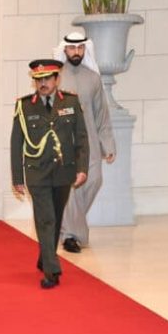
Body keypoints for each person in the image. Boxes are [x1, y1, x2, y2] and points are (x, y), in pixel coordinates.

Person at [10, 59, 89, 289]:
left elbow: (81, 138)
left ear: (57, 79)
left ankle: (45, 256)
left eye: (46, 79)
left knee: (55, 216)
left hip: (64, 170)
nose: (42, 83)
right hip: (37, 172)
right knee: (45, 219)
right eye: (38, 80)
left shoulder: (71, 102)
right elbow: (16, 143)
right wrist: (17, 178)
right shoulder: (25, 106)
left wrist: (82, 168)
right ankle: (52, 270)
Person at [53, 32, 116, 253]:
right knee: (70, 187)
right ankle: (72, 235)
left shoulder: (93, 78)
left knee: (94, 179)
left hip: (89, 140)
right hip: (63, 142)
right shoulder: (56, 77)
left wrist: (108, 144)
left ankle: (66, 225)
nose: (76, 52)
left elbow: (102, 114)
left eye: (80, 48)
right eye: (72, 48)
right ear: (65, 49)